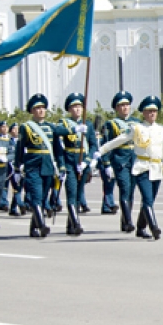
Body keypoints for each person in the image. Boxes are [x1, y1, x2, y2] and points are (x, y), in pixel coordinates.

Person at [99, 96, 163, 240]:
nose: (152, 113)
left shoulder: (162, 130)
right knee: (146, 198)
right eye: (149, 111)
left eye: (154, 111)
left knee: (150, 200)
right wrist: (102, 150)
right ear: (143, 113)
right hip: (142, 167)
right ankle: (154, 227)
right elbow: (119, 140)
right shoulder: (137, 128)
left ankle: (140, 227)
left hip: (156, 168)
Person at [15, 94, 81, 238]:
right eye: (37, 108)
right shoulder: (26, 127)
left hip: (48, 166)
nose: (41, 111)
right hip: (32, 166)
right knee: (36, 196)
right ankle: (42, 225)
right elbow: (19, 148)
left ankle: (33, 228)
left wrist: (61, 167)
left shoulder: (51, 127)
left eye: (43, 108)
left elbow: (57, 149)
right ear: (32, 111)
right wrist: (16, 167)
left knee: (43, 196)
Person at [57, 93, 99, 236]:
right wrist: (74, 129)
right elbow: (56, 132)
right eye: (74, 106)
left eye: (79, 106)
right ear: (69, 109)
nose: (77, 109)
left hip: (83, 163)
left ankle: (70, 225)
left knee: (77, 195)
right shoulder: (65, 123)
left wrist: (88, 161)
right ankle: (76, 224)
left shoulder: (87, 124)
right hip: (69, 161)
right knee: (71, 192)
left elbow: (93, 145)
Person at [101, 91, 137, 232]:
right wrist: (106, 164)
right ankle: (128, 221)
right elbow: (106, 145)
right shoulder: (111, 125)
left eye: (127, 104)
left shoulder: (137, 123)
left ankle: (125, 220)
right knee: (124, 189)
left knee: (131, 192)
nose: (125, 107)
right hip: (120, 161)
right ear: (116, 108)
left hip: (134, 160)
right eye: (121, 105)